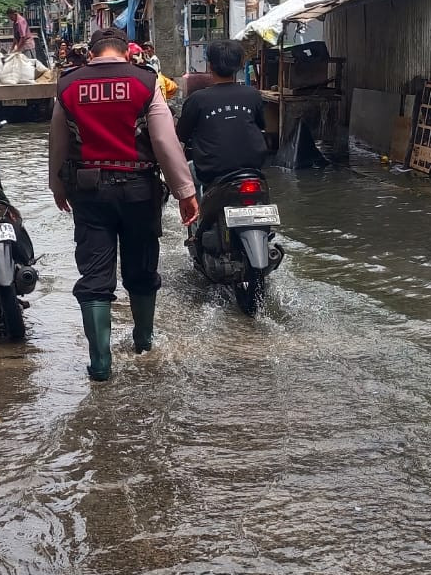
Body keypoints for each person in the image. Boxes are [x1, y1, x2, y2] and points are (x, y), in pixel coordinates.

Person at [49, 27, 198, 382]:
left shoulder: (68, 85)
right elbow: (165, 141)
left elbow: (56, 141)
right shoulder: (145, 82)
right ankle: (143, 343)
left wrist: (56, 185)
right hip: (139, 191)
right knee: (141, 269)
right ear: (127, 54)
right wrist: (185, 191)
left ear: (91, 55)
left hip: (88, 193)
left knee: (95, 277)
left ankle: (100, 364)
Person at [176, 38, 268, 193]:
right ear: (240, 65)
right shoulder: (253, 95)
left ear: (210, 65)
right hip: (253, 169)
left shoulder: (197, 99)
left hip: (211, 173)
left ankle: (197, 213)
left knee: (189, 169)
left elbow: (181, 137)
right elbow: (261, 126)